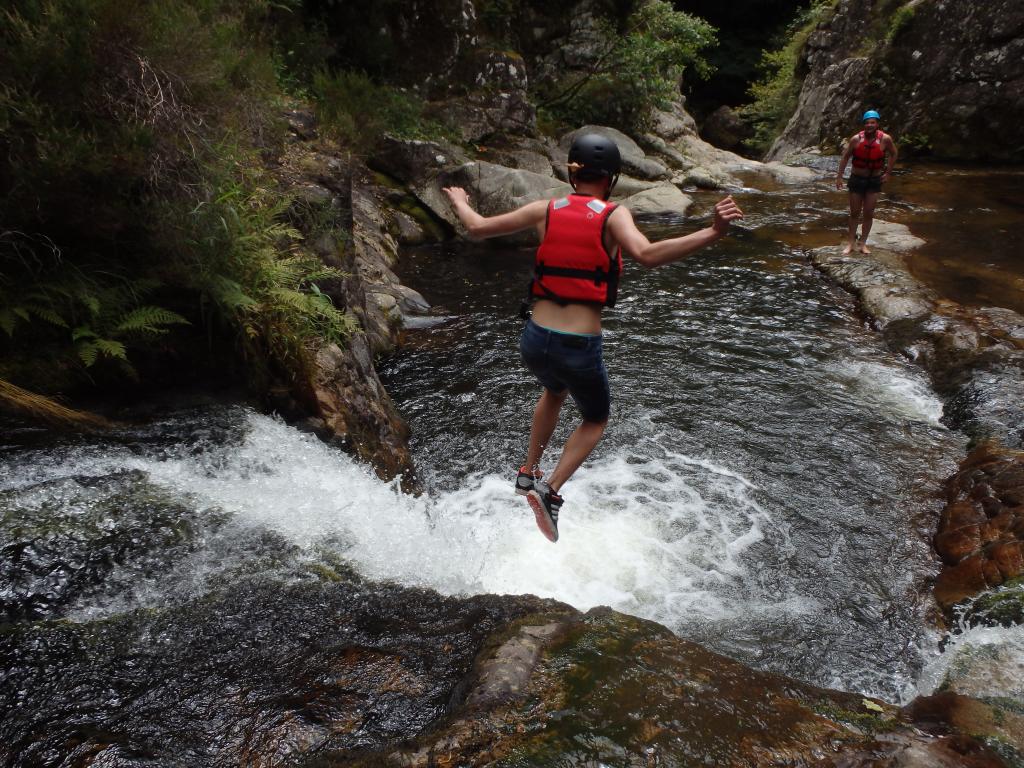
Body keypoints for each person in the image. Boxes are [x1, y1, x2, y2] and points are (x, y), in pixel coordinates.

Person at [442, 132, 743, 543]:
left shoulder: (545, 208)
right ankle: (549, 492)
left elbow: (477, 227)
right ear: (612, 178)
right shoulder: (612, 215)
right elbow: (648, 255)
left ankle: (527, 472)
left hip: (534, 339)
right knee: (595, 418)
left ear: (573, 172)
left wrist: (459, 201)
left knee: (553, 390)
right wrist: (713, 232)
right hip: (576, 345)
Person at [835, 110, 898, 254]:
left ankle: (863, 243)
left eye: (873, 122)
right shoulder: (856, 139)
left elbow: (894, 154)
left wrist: (888, 172)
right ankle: (850, 243)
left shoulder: (885, 139)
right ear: (864, 124)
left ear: (877, 124)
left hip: (874, 180)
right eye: (867, 122)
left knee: (869, 212)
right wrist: (839, 177)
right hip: (857, 179)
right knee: (855, 212)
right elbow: (845, 157)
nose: (870, 125)